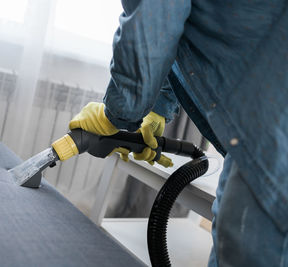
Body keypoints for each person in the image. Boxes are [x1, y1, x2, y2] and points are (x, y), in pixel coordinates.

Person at [68, 0, 288, 266]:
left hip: (273, 134)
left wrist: (115, 114)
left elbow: (152, 21)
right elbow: (180, 26)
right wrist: (158, 108)